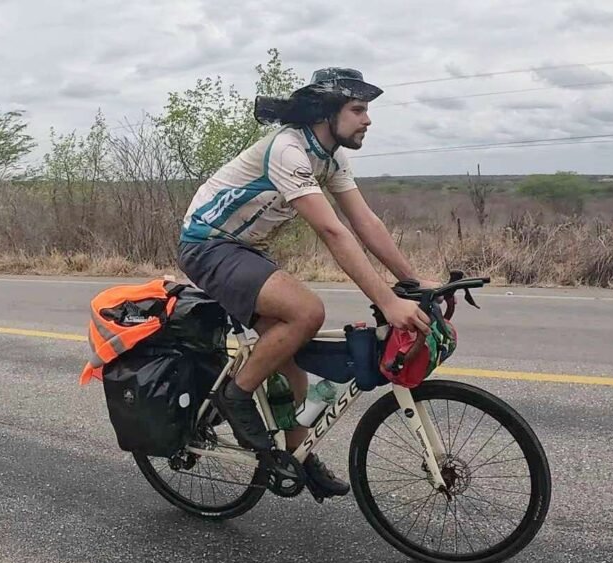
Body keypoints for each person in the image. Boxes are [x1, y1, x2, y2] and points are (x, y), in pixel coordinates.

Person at [177, 68, 442, 499]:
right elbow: (334, 232)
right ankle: (235, 394)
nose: (368, 120)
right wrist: (388, 302)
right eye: (358, 110)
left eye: (367, 111)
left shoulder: (331, 155)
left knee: (294, 365)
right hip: (208, 245)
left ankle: (293, 451)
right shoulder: (288, 149)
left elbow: (364, 222)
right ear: (327, 112)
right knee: (307, 312)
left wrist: (410, 281)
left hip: (246, 249)